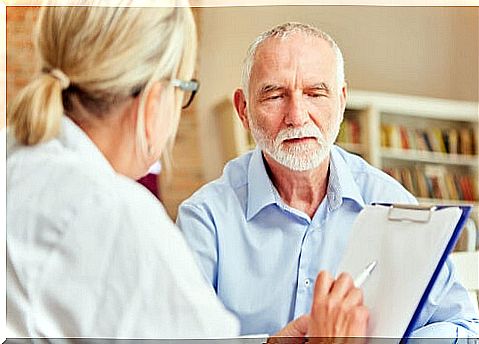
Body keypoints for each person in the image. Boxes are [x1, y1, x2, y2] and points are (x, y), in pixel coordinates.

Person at [7, 6, 369, 339]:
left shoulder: (16, 160)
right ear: (154, 98)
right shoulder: (118, 216)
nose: (297, 116)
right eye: (183, 90)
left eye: (315, 93)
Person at [177, 22, 479, 337]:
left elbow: (466, 329)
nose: (297, 115)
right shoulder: (205, 218)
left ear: (341, 101)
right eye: (275, 96)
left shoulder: (393, 203)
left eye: (315, 93)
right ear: (243, 109)